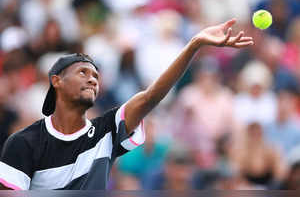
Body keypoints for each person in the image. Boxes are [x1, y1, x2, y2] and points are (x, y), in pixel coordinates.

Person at [0, 19, 253, 190]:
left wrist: (194, 45)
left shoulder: (105, 132)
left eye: (96, 76)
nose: (92, 79)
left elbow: (150, 97)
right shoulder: (23, 143)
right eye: (83, 72)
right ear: (56, 80)